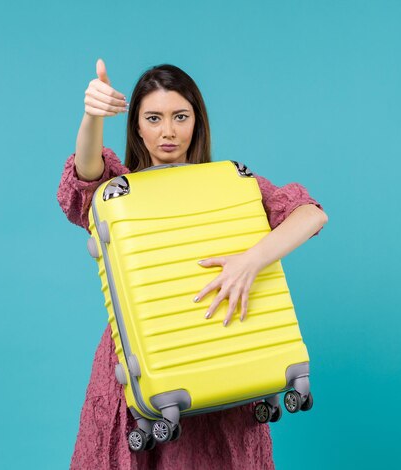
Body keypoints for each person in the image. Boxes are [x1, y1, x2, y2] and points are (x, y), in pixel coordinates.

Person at [57, 59, 328, 469]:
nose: (168, 131)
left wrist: (249, 261)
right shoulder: (121, 193)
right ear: (137, 127)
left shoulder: (229, 186)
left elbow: (310, 214)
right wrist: (93, 116)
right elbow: (86, 172)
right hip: (146, 361)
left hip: (220, 359)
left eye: (180, 117)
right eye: (153, 118)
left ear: (196, 122)